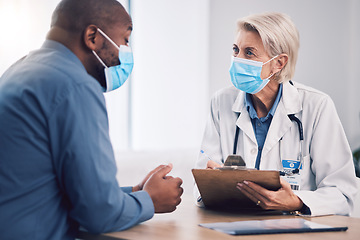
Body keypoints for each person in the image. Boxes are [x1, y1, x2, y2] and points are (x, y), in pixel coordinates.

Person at [0, 0, 183, 239]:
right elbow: (99, 214)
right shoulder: (75, 85)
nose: (125, 51)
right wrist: (149, 200)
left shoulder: (19, 70)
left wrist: (134, 193)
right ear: (93, 36)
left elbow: (55, 188)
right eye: (125, 40)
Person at [194, 12, 357, 216]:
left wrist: (297, 202)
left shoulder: (317, 106)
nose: (237, 60)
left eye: (249, 53)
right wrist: (212, 182)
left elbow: (344, 193)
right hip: (230, 224)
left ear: (279, 63)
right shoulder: (221, 102)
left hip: (294, 228)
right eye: (235, 50)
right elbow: (201, 183)